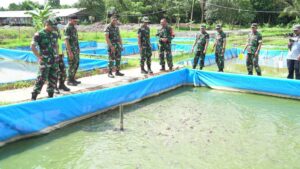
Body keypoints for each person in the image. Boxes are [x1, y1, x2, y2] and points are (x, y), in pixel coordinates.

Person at [30, 18, 59, 100]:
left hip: (54, 60)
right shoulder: (39, 34)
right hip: (45, 61)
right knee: (41, 78)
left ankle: (50, 95)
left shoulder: (54, 34)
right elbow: (32, 46)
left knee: (53, 78)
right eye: (52, 26)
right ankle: (34, 97)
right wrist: (39, 56)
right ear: (47, 25)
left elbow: (56, 45)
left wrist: (57, 54)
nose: (54, 28)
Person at [53, 18, 70, 94]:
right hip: (53, 55)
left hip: (59, 54)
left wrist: (62, 51)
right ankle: (54, 87)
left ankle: (61, 85)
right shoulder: (51, 32)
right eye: (57, 23)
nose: (59, 25)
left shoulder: (59, 31)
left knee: (63, 71)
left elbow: (60, 42)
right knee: (55, 72)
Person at [64, 14, 80, 86]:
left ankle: (73, 78)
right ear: (70, 20)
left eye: (76, 21)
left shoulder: (73, 27)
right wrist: (70, 52)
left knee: (76, 64)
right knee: (71, 65)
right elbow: (66, 41)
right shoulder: (67, 28)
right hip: (71, 50)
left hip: (76, 49)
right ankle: (69, 80)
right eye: (74, 21)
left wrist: (78, 48)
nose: (75, 22)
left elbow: (76, 39)